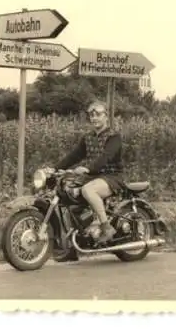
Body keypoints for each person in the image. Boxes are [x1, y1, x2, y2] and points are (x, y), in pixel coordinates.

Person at [53, 100, 125, 244]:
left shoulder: (113, 137)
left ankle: (106, 227)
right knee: (67, 189)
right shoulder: (88, 137)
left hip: (111, 177)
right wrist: (54, 169)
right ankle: (76, 236)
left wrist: (88, 168)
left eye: (98, 114)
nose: (94, 118)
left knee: (87, 190)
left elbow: (106, 157)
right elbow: (74, 156)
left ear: (106, 116)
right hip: (93, 176)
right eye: (91, 115)